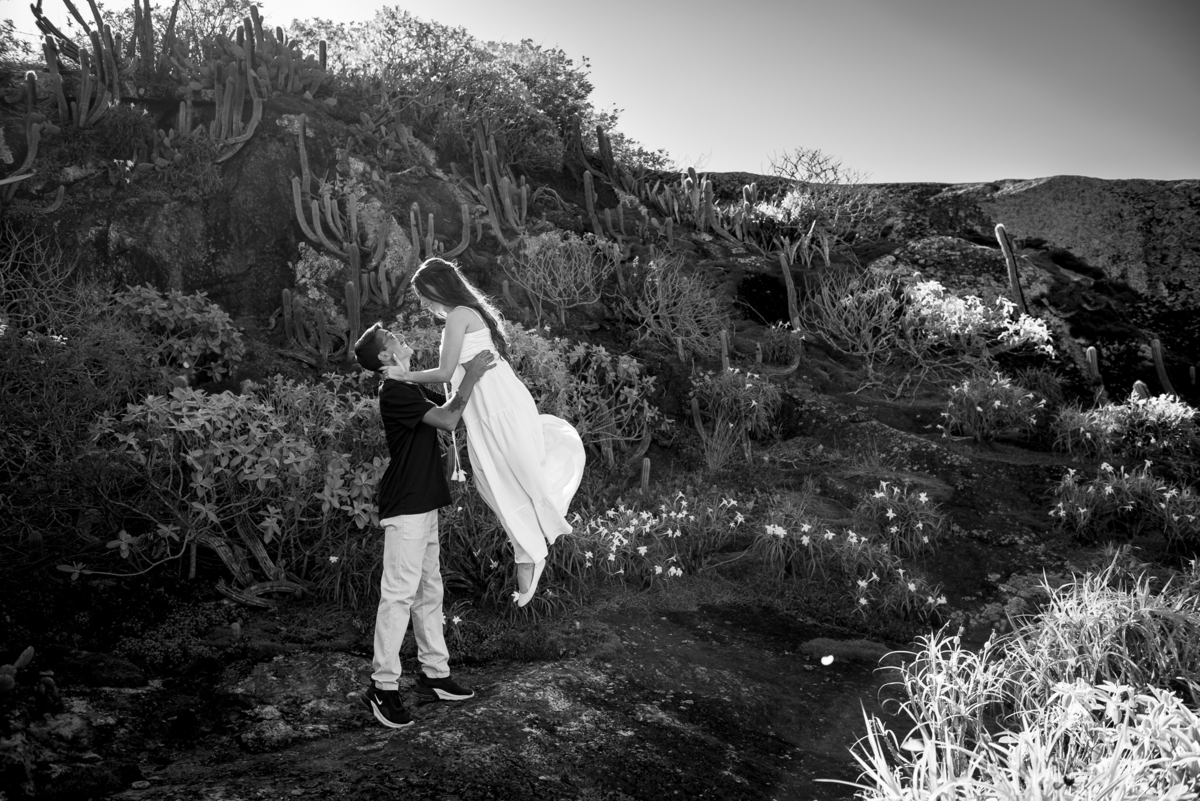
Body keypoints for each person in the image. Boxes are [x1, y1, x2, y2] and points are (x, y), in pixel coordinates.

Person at [384, 258, 585, 608]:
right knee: (492, 481)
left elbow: (446, 372)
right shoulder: (460, 316)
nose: (423, 302)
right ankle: (528, 549)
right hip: (486, 408)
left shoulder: (460, 315)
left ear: (438, 286)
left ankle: (529, 552)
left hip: (499, 404)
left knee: (517, 475)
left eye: (424, 294)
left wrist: (404, 377)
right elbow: (455, 378)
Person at [353, 321, 495, 729]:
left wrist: (466, 373)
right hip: (407, 505)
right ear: (385, 355)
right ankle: (382, 688)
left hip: (424, 502)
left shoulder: (407, 385)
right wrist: (471, 375)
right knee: (398, 595)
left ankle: (435, 675)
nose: (402, 339)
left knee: (428, 590)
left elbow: (453, 408)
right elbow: (448, 420)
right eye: (394, 339)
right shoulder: (394, 390)